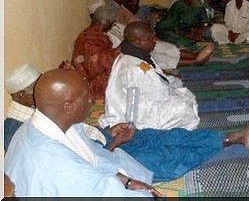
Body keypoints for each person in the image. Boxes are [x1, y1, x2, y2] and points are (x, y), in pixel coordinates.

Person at [4, 63, 249, 183]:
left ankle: (234, 137)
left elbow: (78, 137)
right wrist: (115, 143)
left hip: (103, 142)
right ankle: (230, 142)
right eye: (36, 89)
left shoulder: (45, 112)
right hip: (105, 157)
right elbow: (79, 168)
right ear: (22, 96)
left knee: (165, 135)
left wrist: (108, 132)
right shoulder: (18, 129)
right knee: (165, 158)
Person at [4, 68, 155, 197]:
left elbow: (93, 155)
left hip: (83, 183)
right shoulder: (56, 161)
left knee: (134, 175)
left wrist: (127, 181)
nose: (92, 99)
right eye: (85, 95)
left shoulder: (54, 122)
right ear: (68, 107)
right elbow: (100, 193)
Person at [100, 21, 201, 130]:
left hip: (140, 100)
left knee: (181, 94)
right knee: (183, 109)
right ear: (137, 42)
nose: (154, 40)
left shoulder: (136, 54)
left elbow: (155, 77)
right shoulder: (134, 67)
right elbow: (153, 93)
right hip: (134, 113)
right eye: (149, 39)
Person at [72, 5, 121, 99]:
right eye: (112, 24)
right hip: (90, 85)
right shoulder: (91, 40)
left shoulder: (88, 34)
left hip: (87, 78)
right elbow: (96, 67)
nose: (112, 26)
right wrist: (120, 50)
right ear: (105, 23)